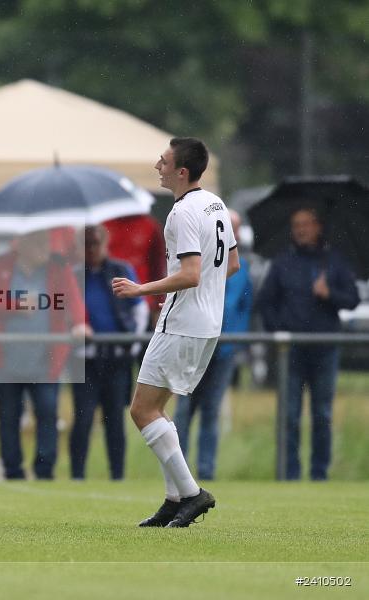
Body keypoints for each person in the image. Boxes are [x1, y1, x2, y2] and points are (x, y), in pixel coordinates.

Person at [113, 137, 238, 527]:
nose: (157, 166)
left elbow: (189, 274)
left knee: (142, 410)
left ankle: (191, 493)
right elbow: (232, 264)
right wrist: (206, 294)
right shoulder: (215, 203)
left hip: (182, 323)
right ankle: (173, 499)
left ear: (181, 172)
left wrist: (140, 290)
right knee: (158, 410)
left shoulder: (182, 212)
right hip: (206, 325)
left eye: (163, 162)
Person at [0, 228, 87, 480]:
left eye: (47, 243)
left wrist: (80, 323)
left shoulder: (59, 268)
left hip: (46, 361)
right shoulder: (0, 264)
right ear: (23, 244)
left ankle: (44, 470)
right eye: (41, 244)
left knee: (47, 413)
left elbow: (74, 301)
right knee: (8, 417)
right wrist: (16, 305)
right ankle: (12, 470)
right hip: (5, 360)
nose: (47, 248)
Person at [257, 207, 359, 481]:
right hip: (291, 352)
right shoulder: (282, 263)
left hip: (325, 350)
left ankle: (319, 475)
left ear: (318, 227)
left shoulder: (334, 262)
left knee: (322, 415)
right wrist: (280, 331)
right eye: (296, 224)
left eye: (306, 224)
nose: (300, 229)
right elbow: (265, 302)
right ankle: (289, 474)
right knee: (289, 416)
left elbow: (352, 299)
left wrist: (329, 294)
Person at [174, 209, 252, 480]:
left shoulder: (242, 268)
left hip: (224, 349)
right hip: (195, 344)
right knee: (183, 410)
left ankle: (206, 472)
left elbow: (243, 308)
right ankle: (178, 471)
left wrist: (234, 339)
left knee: (211, 411)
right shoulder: (197, 262)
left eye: (237, 229)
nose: (236, 234)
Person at [70, 225, 148, 480]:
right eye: (86, 244)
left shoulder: (120, 270)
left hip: (116, 357)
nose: (91, 249)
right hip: (86, 359)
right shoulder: (72, 275)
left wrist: (132, 342)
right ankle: (77, 475)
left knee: (114, 420)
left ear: (104, 244)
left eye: (95, 243)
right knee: (82, 420)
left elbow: (139, 308)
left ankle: (117, 475)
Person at [103, 213, 167, 323]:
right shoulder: (104, 223)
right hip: (107, 298)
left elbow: (158, 268)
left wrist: (158, 306)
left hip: (143, 300)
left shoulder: (149, 225)